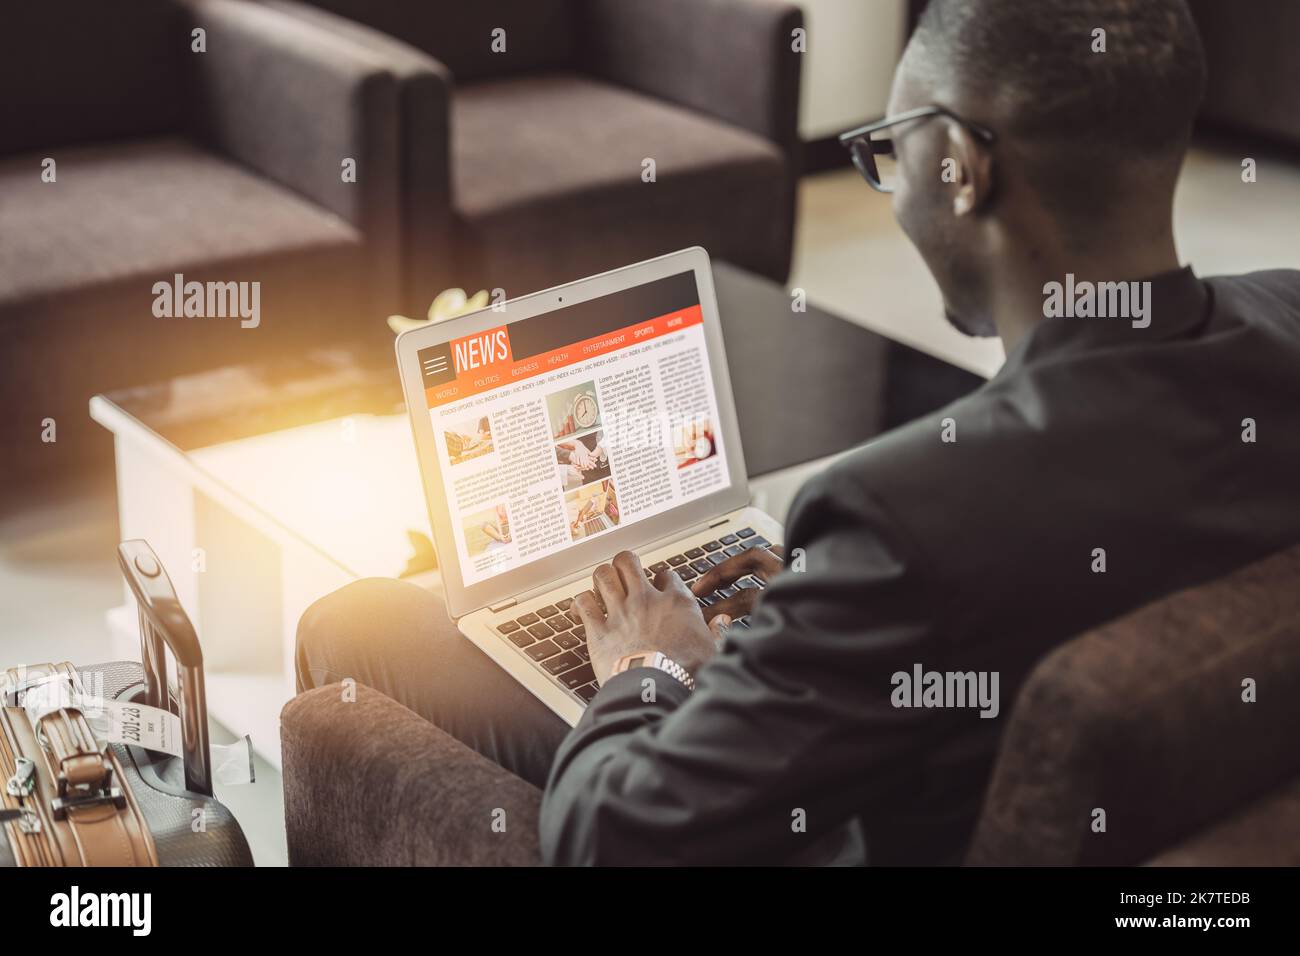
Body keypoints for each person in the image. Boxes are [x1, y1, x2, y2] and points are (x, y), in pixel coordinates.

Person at [296, 0, 1300, 865]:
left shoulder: (908, 515)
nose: (890, 182)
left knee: (358, 622)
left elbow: (609, 836)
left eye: (888, 146)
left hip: (853, 829)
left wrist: (651, 669)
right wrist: (811, 630)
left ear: (957, 168)